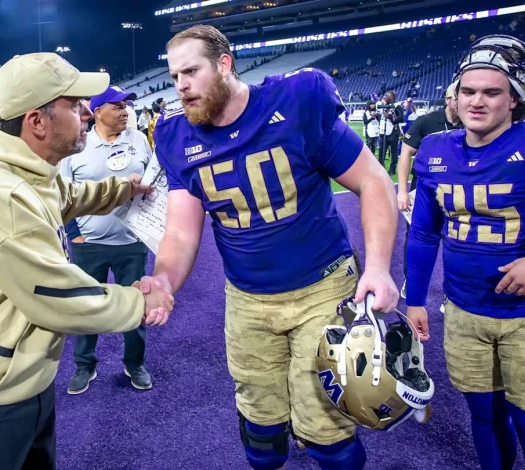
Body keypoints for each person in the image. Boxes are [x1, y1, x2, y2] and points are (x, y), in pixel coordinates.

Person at [140, 25, 399, 470]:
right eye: (174, 76)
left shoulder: (295, 102)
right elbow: (181, 231)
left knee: (326, 430)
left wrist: (378, 266)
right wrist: (163, 278)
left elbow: (374, 181)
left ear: (224, 65)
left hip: (322, 288)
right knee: (260, 428)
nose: (180, 85)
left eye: (190, 71)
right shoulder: (176, 137)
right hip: (246, 297)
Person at [0, 53, 173, 469]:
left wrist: (121, 189)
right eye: (74, 105)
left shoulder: (26, 170)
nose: (88, 112)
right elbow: (58, 297)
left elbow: (67, 196)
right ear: (36, 121)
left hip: (18, 376)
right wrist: (143, 302)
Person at [406, 34, 525, 470]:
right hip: (463, 311)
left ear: (515, 99)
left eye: (492, 92)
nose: (476, 101)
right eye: (468, 90)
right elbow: (424, 233)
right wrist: (415, 299)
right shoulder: (436, 149)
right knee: (484, 415)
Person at [61, 85, 154, 394]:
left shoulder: (139, 139)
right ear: (98, 112)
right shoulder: (77, 145)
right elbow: (61, 193)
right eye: (117, 106)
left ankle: (134, 363)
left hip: (132, 243)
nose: (125, 111)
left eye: (127, 105)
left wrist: (151, 229)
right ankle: (84, 365)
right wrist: (76, 235)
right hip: (90, 245)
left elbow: (155, 182)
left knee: (135, 307)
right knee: (86, 307)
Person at [396, 83, 463, 299]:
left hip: (459, 190)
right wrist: (402, 191)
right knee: (417, 235)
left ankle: (451, 290)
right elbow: (405, 153)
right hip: (425, 190)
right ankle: (411, 281)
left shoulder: (471, 123)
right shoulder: (426, 121)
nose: (462, 102)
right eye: (458, 97)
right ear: (447, 99)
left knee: (456, 238)